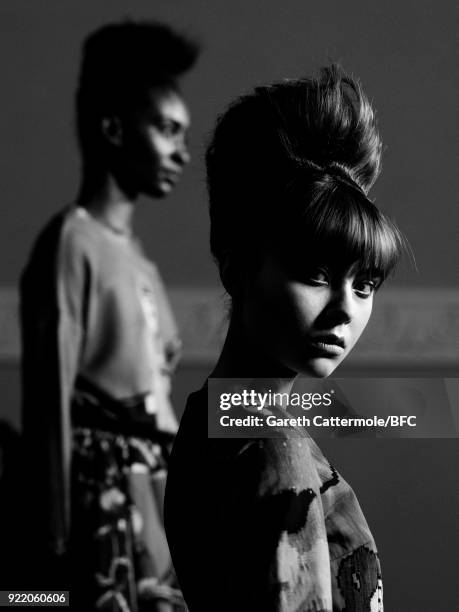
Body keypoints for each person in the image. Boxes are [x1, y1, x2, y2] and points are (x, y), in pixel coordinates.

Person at [165, 65, 404, 611]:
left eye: (364, 284)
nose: (344, 309)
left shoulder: (214, 415)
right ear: (237, 269)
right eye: (316, 275)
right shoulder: (271, 445)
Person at [20, 20, 199, 611]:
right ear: (114, 130)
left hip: (157, 492)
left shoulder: (141, 262)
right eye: (167, 130)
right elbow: (49, 402)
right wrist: (53, 540)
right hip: (102, 504)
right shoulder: (71, 243)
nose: (182, 150)